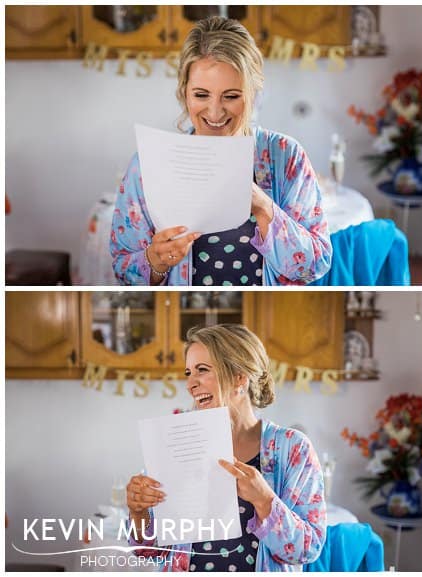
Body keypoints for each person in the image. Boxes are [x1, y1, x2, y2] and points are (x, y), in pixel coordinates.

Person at [111, 16, 331, 286]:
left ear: (253, 94)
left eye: (231, 96)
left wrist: (262, 206)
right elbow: (123, 270)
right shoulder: (148, 165)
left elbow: (313, 266)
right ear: (184, 93)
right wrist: (155, 261)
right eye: (201, 95)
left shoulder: (286, 156)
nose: (215, 112)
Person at [126, 324, 326, 571]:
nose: (190, 384)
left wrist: (264, 500)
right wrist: (138, 512)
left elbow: (308, 549)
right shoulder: (178, 441)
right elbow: (148, 553)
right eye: (188, 373)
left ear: (239, 376)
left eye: (202, 370)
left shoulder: (293, 449)